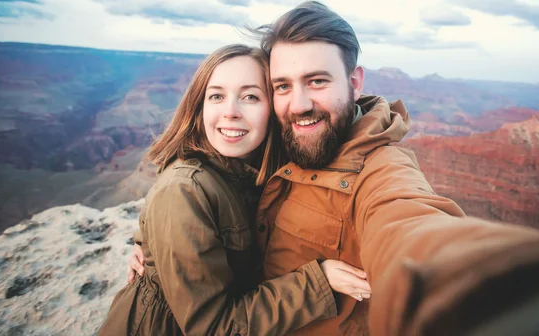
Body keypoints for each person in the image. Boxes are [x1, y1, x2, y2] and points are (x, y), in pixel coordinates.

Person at [130, 4, 539, 335]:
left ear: (354, 82)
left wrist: (493, 289)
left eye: (317, 81)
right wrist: (154, 247)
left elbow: (410, 223)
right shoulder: (280, 143)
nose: (300, 104)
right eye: (282, 87)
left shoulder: (381, 168)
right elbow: (193, 194)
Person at [98, 44, 372, 336]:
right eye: (216, 96)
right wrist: (319, 283)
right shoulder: (184, 191)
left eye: (250, 97)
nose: (230, 112)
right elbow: (215, 328)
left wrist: (147, 242)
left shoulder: (258, 172)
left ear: (275, 109)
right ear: (199, 105)